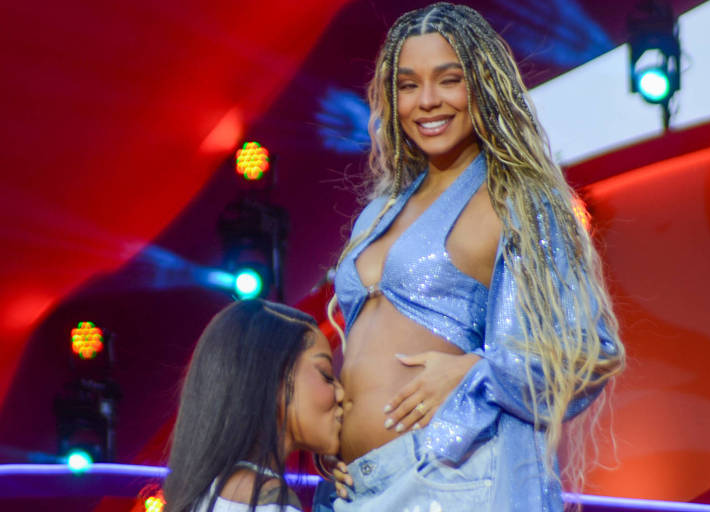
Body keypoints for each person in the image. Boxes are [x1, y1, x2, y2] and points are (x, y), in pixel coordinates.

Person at [318, 3, 626, 511]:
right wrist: (336, 431)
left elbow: (585, 352)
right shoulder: (377, 212)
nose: (428, 101)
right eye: (408, 85)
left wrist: (473, 371)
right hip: (357, 487)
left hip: (453, 478)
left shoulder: (517, 200)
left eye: (449, 80)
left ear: (482, 84)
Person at [163, 299, 344, 512]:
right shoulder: (266, 502)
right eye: (326, 374)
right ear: (273, 378)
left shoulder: (206, 495)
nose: (341, 393)